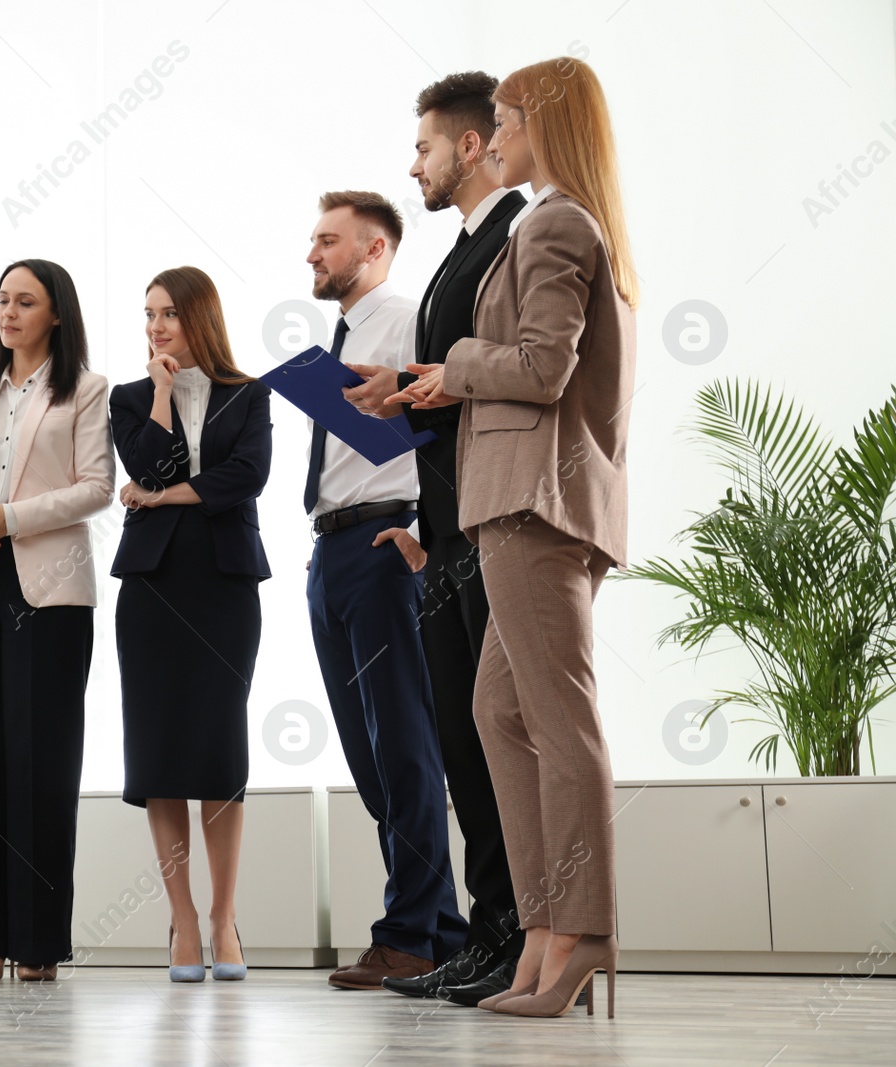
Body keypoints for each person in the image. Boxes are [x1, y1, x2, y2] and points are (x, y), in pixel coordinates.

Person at [389, 56, 637, 1019]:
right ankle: (542, 929)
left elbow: (538, 368)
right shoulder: (559, 220)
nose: (498, 134)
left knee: (557, 722)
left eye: (508, 118)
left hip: (537, 502)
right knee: (503, 713)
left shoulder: (558, 221)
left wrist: (453, 366)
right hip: (517, 500)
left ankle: (579, 932)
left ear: (544, 122)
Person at [349, 71, 530, 1007]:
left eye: (422, 146)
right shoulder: (465, 249)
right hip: (449, 528)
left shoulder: (515, 237)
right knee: (466, 741)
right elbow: (460, 389)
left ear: (468, 145)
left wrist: (425, 382)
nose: (411, 163)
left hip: (493, 521)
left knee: (494, 740)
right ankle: (490, 932)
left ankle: (516, 938)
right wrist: (401, 394)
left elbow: (529, 372)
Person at [302, 192, 465, 989]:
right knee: (373, 758)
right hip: (333, 547)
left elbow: (442, 425)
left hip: (381, 540)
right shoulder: (349, 332)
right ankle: (441, 929)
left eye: (327, 241)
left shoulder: (402, 316)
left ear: (373, 249)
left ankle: (409, 931)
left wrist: (422, 535)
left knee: (402, 744)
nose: (312, 254)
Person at [0, 259, 115, 982]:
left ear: (57, 314)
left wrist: (9, 517)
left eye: (26, 301)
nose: (9, 312)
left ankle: (36, 941)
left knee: (39, 761)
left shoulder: (87, 391)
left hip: (52, 591)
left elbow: (96, 487)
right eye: (3, 300)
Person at [108, 266, 272, 983]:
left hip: (225, 585)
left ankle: (224, 916)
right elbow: (147, 460)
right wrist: (165, 394)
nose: (156, 326)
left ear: (199, 315)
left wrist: (164, 496)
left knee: (219, 751)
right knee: (159, 754)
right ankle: (180, 918)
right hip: (151, 589)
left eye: (169, 312)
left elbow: (249, 474)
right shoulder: (130, 398)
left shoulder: (249, 393)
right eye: (149, 314)